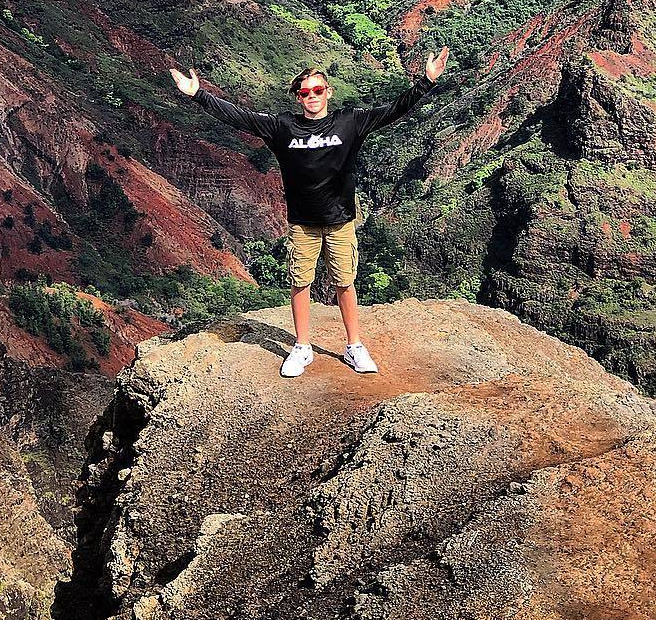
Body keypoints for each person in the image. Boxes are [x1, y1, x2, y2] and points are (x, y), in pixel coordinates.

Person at [168, 48, 449, 377]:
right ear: (298, 97)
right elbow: (240, 117)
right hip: (302, 222)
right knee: (300, 282)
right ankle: (302, 347)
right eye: (305, 92)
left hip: (340, 220)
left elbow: (393, 111)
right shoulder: (283, 127)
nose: (312, 96)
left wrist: (427, 82)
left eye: (317, 90)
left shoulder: (349, 122)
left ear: (329, 92)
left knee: (345, 282)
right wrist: (198, 95)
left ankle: (354, 346)